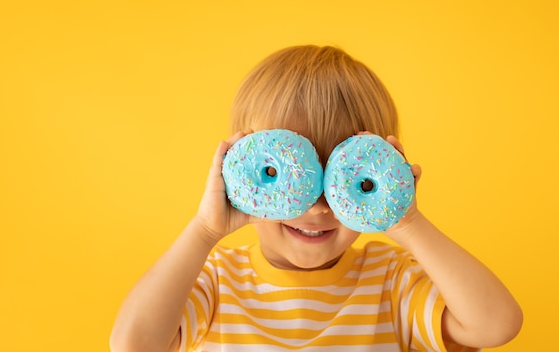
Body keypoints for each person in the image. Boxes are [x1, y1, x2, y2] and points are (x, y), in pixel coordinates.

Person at [110, 45, 523, 352]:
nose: (318, 207)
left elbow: (496, 325)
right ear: (239, 168)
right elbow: (133, 344)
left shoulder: (391, 282)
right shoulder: (216, 281)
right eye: (284, 177)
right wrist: (203, 231)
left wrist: (407, 223)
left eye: (346, 181)